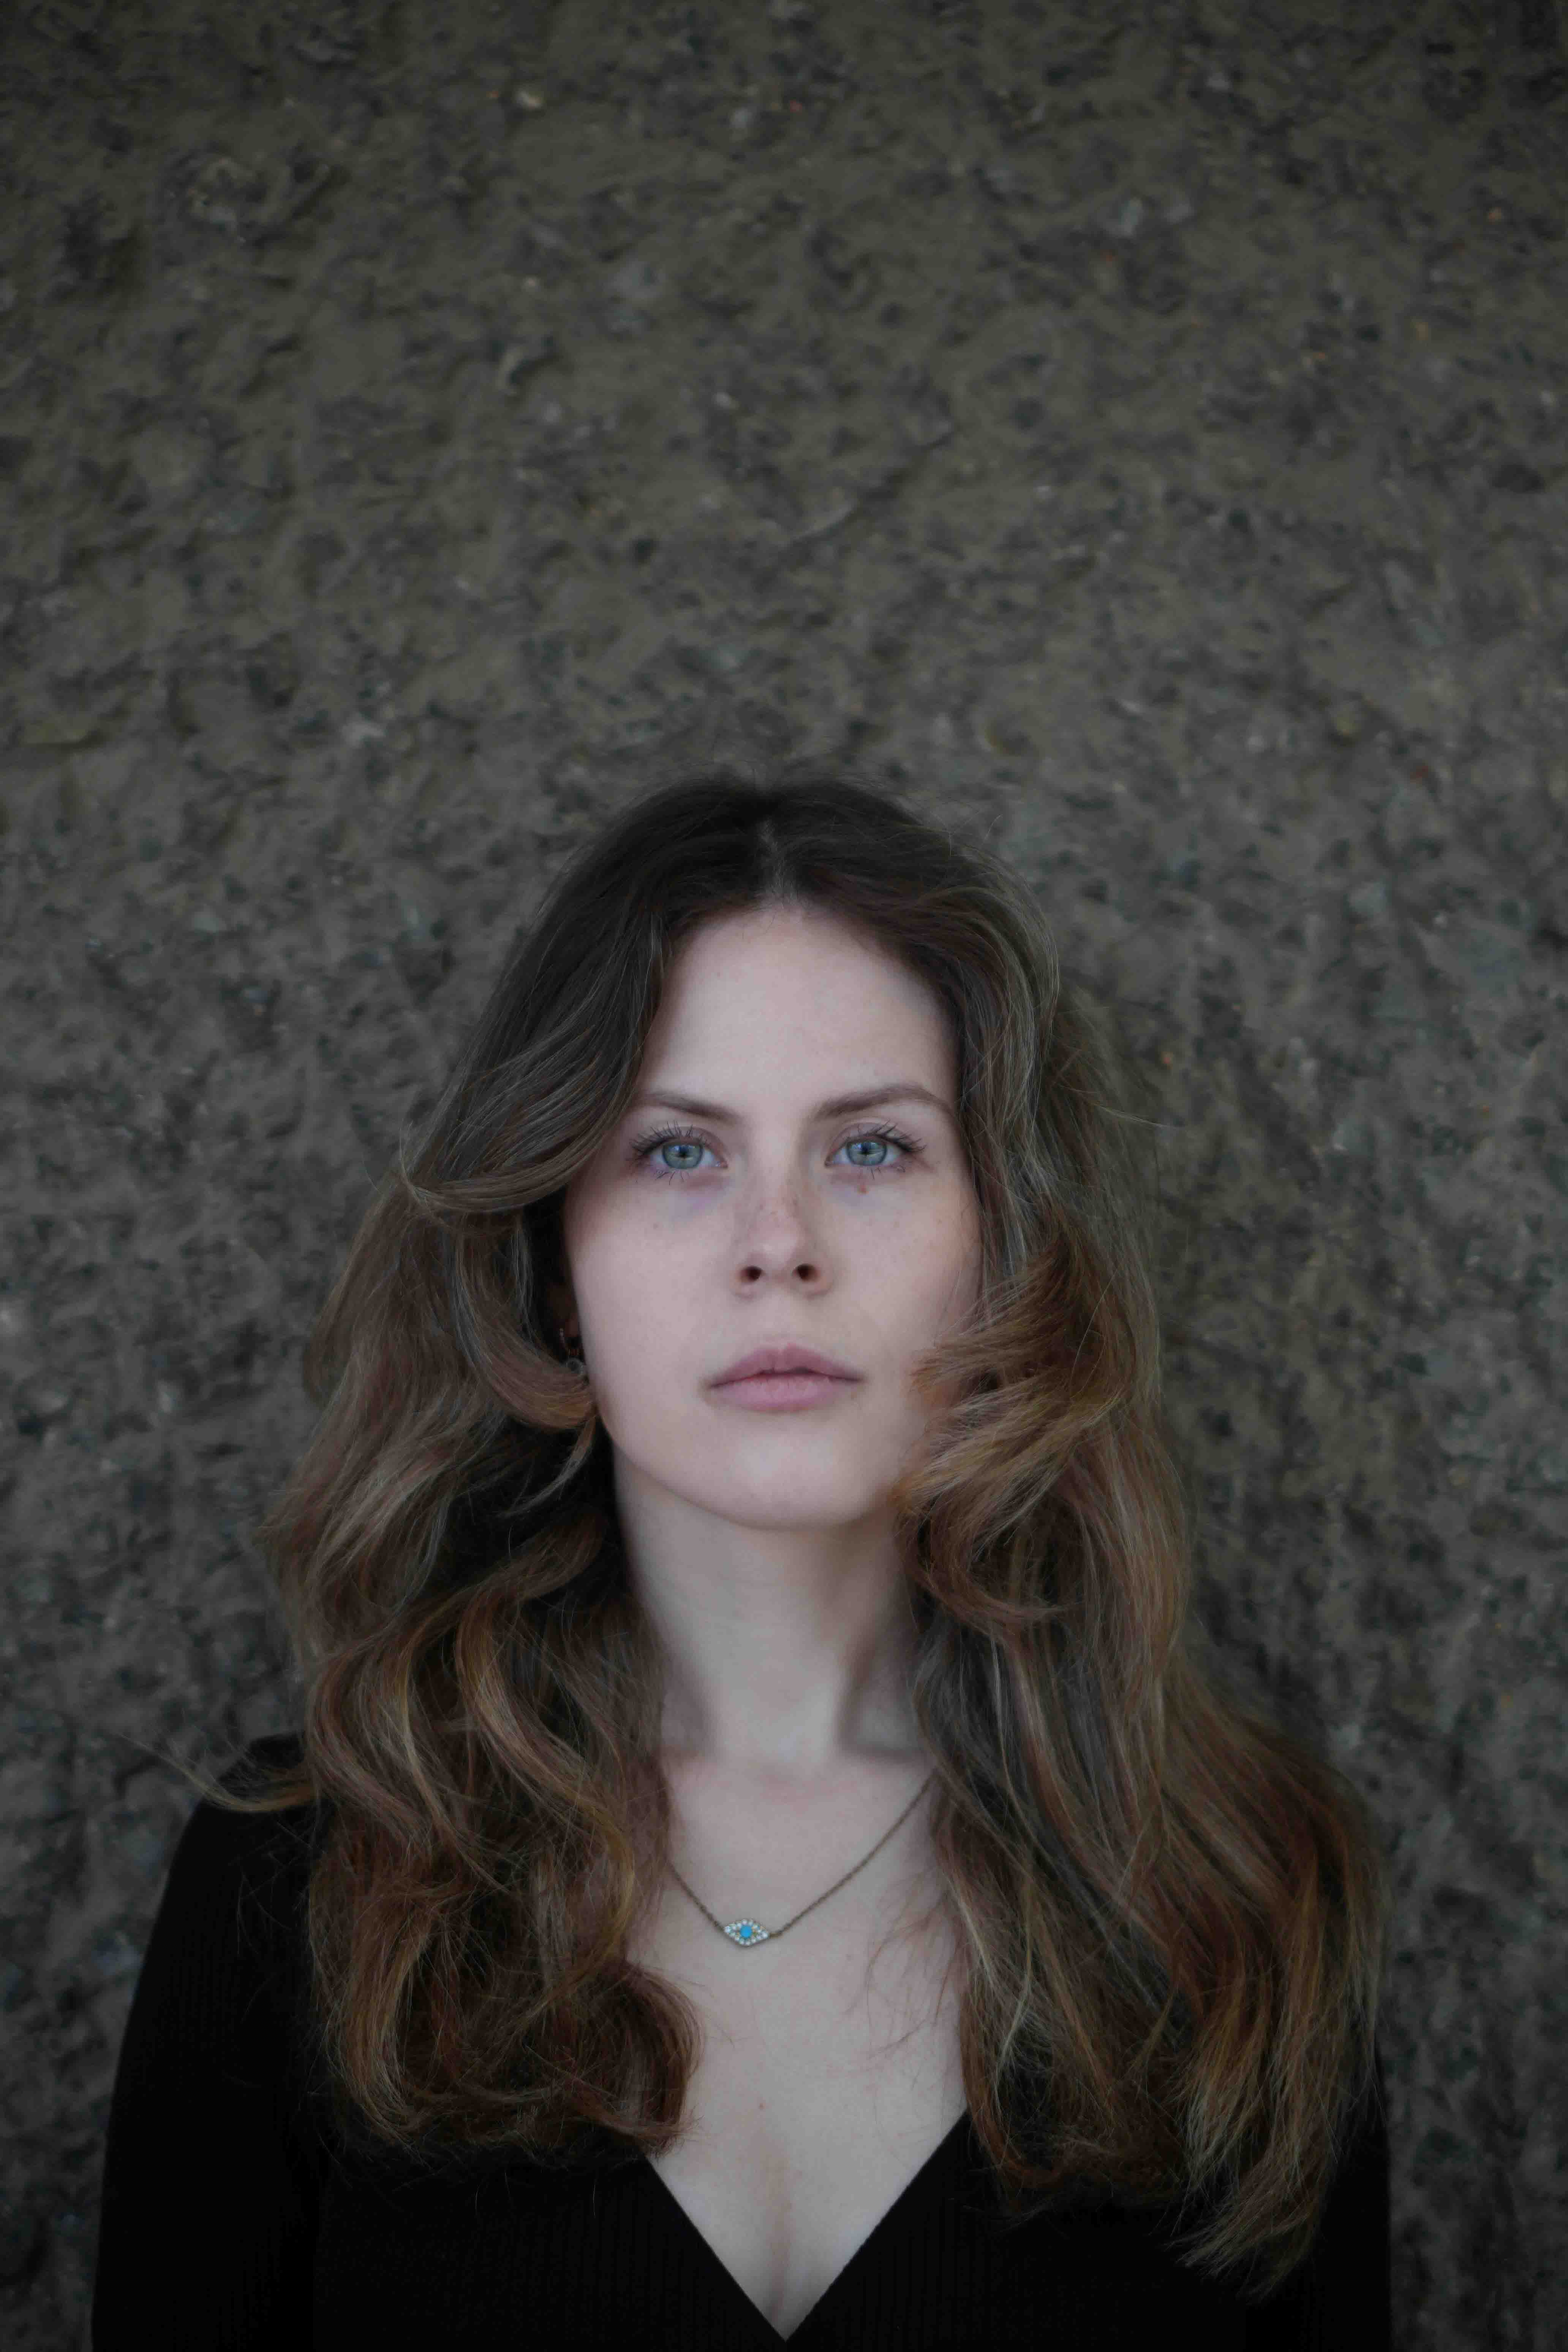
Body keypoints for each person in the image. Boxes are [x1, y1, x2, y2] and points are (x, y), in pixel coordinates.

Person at [91, 768, 1390, 2349]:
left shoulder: (1251, 1890)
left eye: (874, 1149)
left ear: (1010, 1251)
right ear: (553, 1268)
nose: (780, 1243)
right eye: (677, 1153)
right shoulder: (300, 1886)